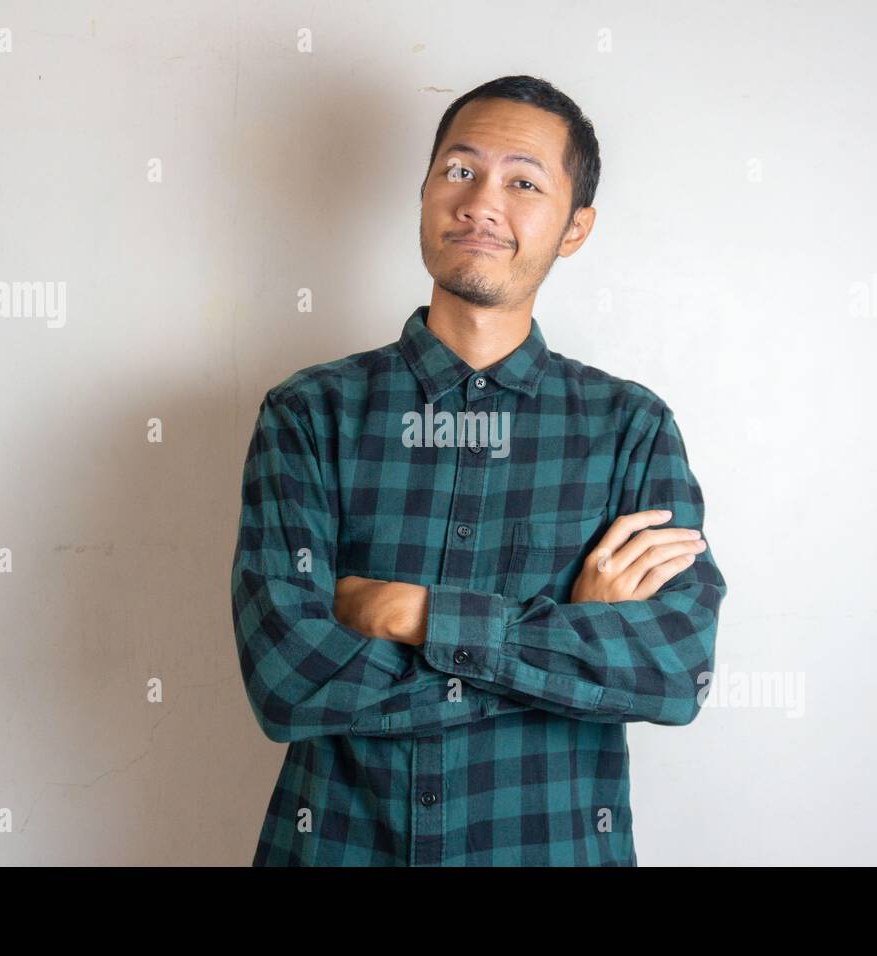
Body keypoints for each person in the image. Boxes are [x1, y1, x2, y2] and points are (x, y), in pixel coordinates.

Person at [231, 74, 727, 866]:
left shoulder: (631, 428)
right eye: (459, 171)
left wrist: (416, 614)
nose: (481, 202)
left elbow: (673, 672)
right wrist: (568, 632)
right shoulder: (309, 414)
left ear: (574, 228)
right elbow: (287, 682)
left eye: (524, 182)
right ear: (425, 195)